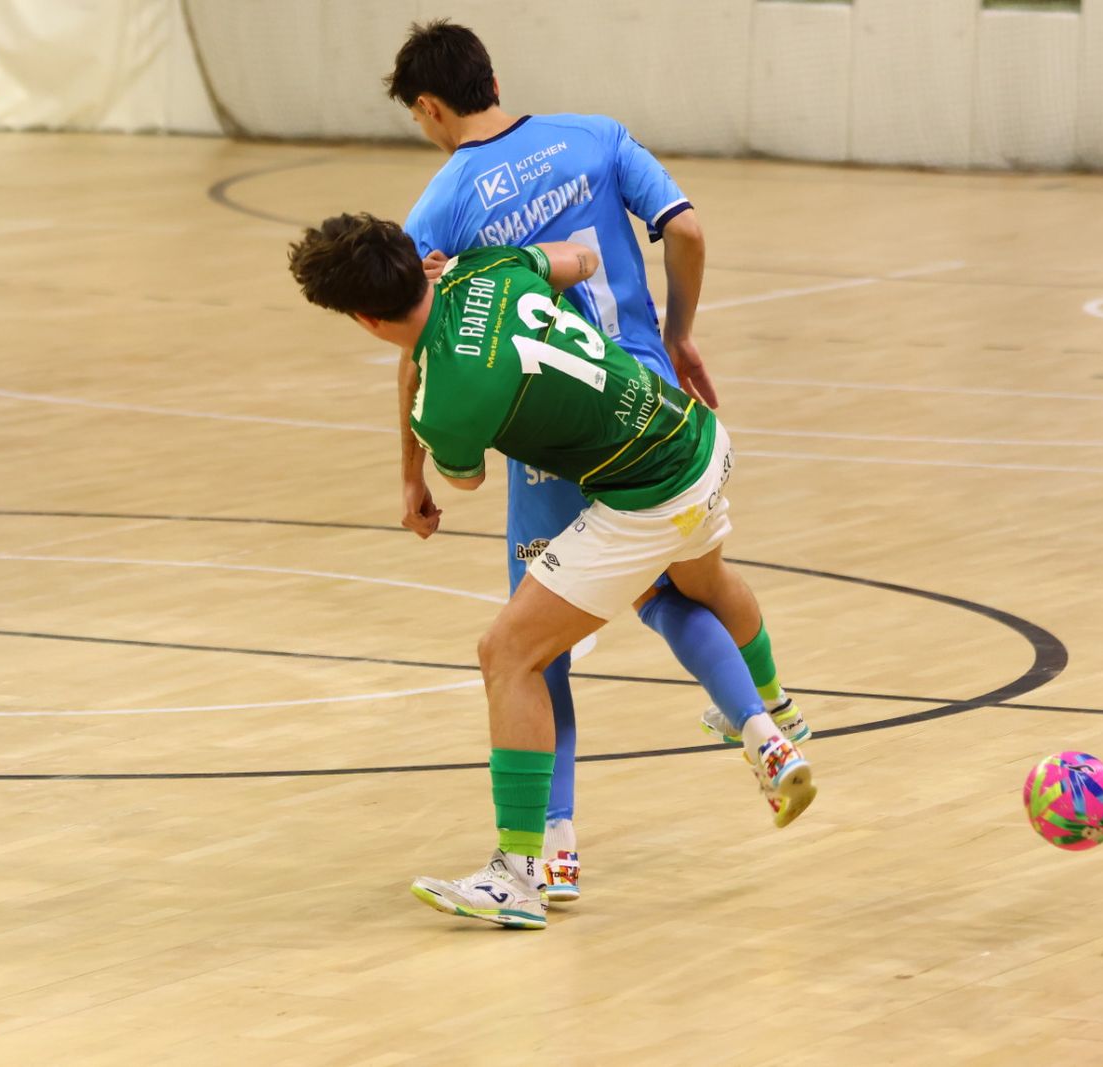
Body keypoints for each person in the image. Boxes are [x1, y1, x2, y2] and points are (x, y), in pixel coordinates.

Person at [287, 213, 818, 930]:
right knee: (689, 589)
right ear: (420, 259)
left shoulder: (446, 402)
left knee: (509, 653)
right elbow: (579, 259)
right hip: (695, 440)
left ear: (363, 319)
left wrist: (430, 394)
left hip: (647, 496)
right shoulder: (485, 268)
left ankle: (518, 874)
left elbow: (466, 477)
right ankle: (768, 720)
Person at [385, 19, 807, 901]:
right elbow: (686, 230)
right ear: (492, 75)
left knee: (533, 650)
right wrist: (680, 333)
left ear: (431, 107)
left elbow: (416, 340)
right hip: (646, 406)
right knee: (681, 585)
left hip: (551, 441)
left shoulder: (443, 201)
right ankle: (770, 724)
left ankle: (552, 853)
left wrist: (412, 477)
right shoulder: (596, 135)